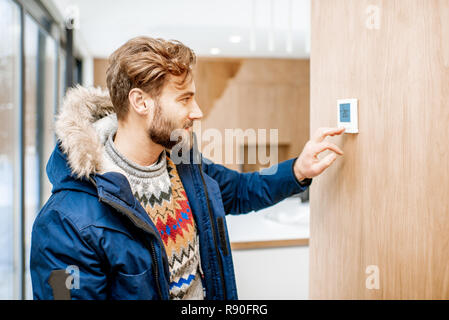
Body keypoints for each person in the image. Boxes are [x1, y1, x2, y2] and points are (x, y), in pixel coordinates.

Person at [30, 36, 345, 300]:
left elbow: (239, 191)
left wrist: (299, 170)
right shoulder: (65, 223)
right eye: (185, 99)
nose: (198, 111)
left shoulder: (184, 165)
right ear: (141, 103)